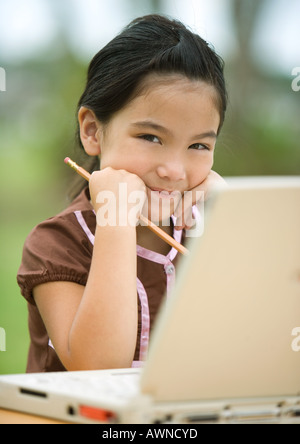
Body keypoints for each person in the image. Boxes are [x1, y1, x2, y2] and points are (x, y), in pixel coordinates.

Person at [17, 14, 228, 373]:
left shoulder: (203, 226)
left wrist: (230, 223)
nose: (174, 170)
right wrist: (116, 222)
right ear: (92, 132)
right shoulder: (57, 244)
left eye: (198, 145)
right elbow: (98, 368)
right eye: (150, 138)